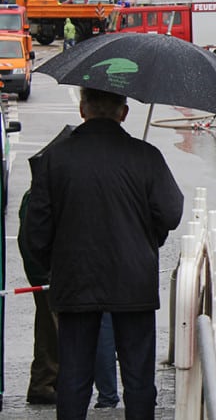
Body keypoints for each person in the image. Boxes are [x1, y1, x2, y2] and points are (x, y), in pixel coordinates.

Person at [24, 88, 184, 420]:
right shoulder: (145, 156)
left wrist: (53, 266)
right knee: (139, 379)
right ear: (123, 113)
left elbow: (35, 229)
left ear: (83, 109)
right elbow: (170, 213)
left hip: (74, 280)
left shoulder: (56, 159)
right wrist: (147, 239)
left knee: (74, 376)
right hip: (133, 281)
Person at [18, 189, 58, 406]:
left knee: (48, 327)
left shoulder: (37, 193)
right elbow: (32, 237)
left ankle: (45, 382)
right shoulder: (39, 195)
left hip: (46, 272)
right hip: (48, 273)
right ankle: (44, 384)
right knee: (52, 329)